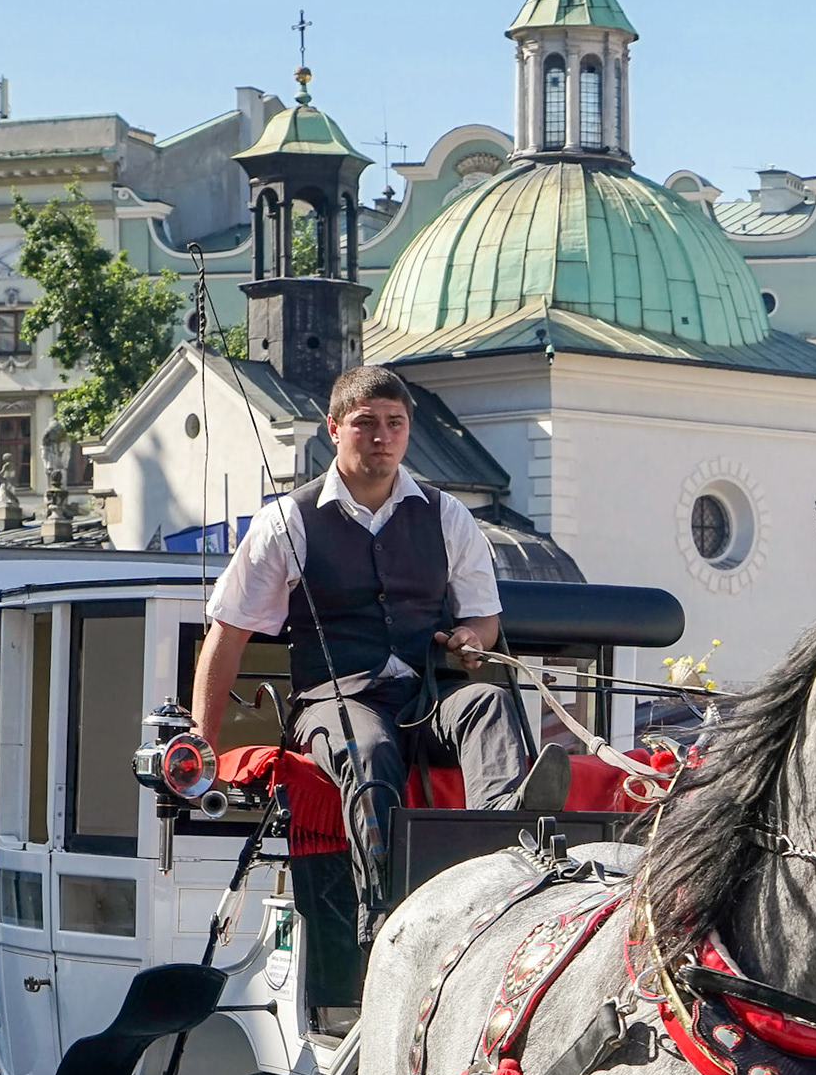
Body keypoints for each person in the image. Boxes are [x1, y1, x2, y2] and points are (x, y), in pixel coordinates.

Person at [190, 363, 568, 943]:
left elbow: (483, 618)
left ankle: (505, 865)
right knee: (366, 744)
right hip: (333, 699)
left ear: (408, 431)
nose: (382, 436)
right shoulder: (286, 521)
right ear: (334, 427)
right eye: (366, 423)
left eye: (395, 423)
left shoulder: (447, 515)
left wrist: (472, 641)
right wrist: (201, 747)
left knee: (489, 701)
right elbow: (227, 634)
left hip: (425, 697)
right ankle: (383, 911)